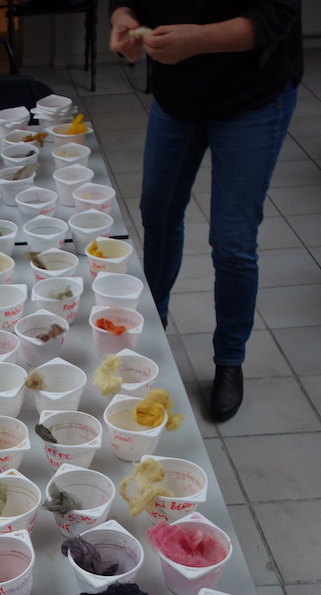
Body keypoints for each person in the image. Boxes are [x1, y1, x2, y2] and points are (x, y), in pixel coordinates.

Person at [109, 2, 303, 422]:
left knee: (232, 243)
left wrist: (199, 39)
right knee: (158, 213)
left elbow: (277, 14)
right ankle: (151, 325)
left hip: (252, 95)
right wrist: (123, 19)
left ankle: (229, 360)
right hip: (177, 96)